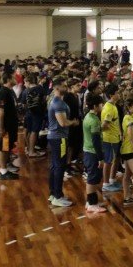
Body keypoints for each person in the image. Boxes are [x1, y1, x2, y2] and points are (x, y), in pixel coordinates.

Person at [47, 78, 79, 207]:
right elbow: (63, 122)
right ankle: (58, 196)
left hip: (55, 137)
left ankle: (53, 193)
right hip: (59, 138)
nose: (66, 87)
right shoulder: (58, 103)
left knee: (55, 166)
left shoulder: (55, 101)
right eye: (63, 85)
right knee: (59, 166)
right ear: (56, 88)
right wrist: (74, 122)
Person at [82, 94, 107, 214]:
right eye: (101, 104)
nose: (102, 106)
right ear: (96, 106)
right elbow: (96, 141)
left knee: (91, 178)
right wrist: (100, 158)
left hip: (87, 151)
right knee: (92, 179)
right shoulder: (94, 120)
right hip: (93, 153)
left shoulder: (88, 116)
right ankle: (92, 204)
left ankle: (90, 202)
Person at [0, 74, 20, 180]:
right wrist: (1, 127)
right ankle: (3, 171)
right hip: (5, 127)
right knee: (4, 147)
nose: (16, 79)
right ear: (8, 79)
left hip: (11, 125)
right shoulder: (3, 92)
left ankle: (6, 166)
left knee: (8, 147)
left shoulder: (9, 91)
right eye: (13, 77)